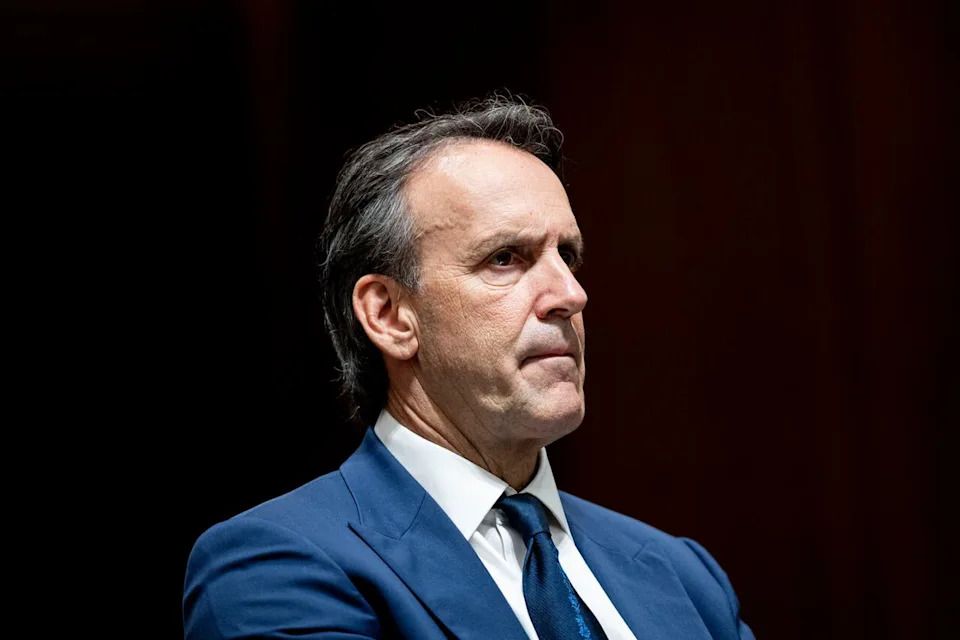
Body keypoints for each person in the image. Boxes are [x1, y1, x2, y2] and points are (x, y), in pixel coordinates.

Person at [183, 95, 754, 639]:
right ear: (390, 316)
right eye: (505, 258)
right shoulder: (277, 566)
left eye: (568, 256)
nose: (571, 295)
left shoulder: (684, 577)